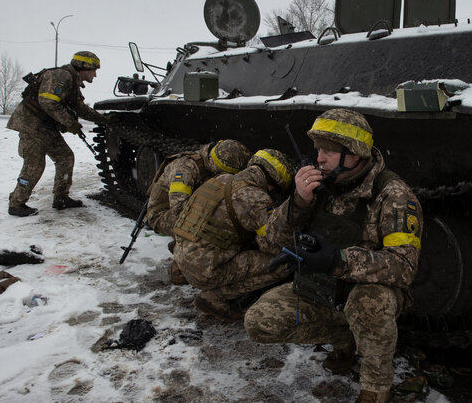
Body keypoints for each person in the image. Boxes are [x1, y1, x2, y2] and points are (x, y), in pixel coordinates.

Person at [244, 108, 423, 403]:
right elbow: (273, 240)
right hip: (323, 291)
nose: (319, 158)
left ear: (354, 153)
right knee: (260, 322)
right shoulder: (320, 185)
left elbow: (404, 267)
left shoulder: (393, 195)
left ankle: (376, 388)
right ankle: (345, 339)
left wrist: (338, 260)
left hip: (365, 295)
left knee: (370, 302)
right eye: (318, 150)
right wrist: (298, 202)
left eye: (328, 150)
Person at [172, 148, 296, 321]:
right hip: (204, 270)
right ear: (272, 184)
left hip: (182, 256)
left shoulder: (220, 179)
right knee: (282, 264)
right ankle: (215, 297)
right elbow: (272, 247)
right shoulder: (256, 198)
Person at [6, 51, 107, 217]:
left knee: (65, 158)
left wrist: (104, 119)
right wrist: (70, 123)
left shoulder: (72, 81)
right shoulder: (62, 76)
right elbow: (48, 102)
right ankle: (16, 203)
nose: (95, 74)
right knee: (34, 165)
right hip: (32, 126)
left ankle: (61, 198)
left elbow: (80, 108)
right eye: (94, 70)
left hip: (45, 128)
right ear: (84, 68)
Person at [146, 139, 252, 285]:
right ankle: (183, 260)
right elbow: (179, 210)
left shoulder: (209, 160)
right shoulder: (185, 169)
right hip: (163, 213)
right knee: (209, 228)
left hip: (186, 207)